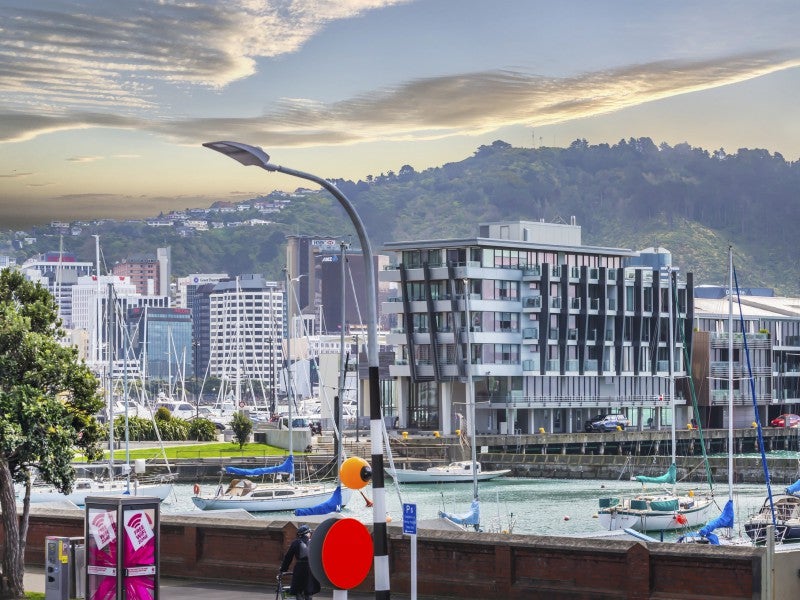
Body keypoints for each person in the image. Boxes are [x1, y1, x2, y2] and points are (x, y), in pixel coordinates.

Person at [279, 525, 320, 600]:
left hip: (299, 568)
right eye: (309, 532)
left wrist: (283, 569)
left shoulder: (295, 543)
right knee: (309, 591)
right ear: (307, 533)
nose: (310, 534)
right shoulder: (314, 542)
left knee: (298, 591)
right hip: (311, 568)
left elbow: (288, 557)